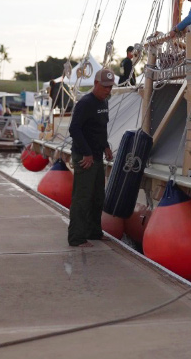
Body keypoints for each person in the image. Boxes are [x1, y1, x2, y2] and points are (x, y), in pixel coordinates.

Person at [67, 67, 115, 247]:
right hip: (84, 156)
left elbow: (100, 128)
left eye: (110, 87)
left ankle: (93, 231)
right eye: (105, 86)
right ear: (96, 83)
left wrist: (106, 146)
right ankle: (76, 238)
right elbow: (74, 129)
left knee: (97, 197)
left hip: (97, 155)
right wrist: (86, 153)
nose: (108, 90)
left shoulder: (104, 103)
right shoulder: (85, 103)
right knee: (82, 198)